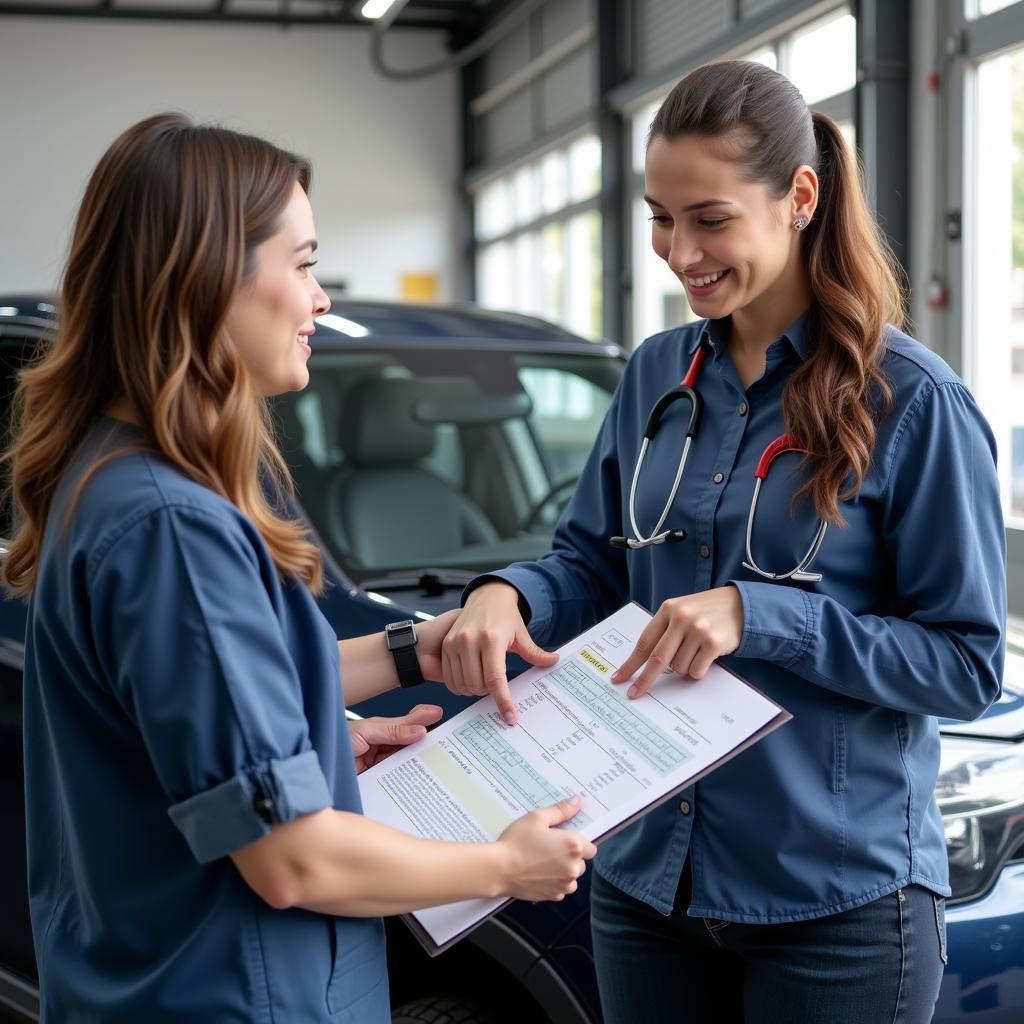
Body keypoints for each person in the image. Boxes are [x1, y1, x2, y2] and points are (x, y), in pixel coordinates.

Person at [440, 60, 1006, 1023]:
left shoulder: (914, 402)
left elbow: (964, 663)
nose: (676, 250)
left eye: (709, 219)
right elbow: (591, 562)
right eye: (660, 216)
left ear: (799, 197)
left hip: (836, 903)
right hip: (648, 881)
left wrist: (764, 615)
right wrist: (510, 594)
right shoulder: (659, 374)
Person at [2, 113, 595, 1023]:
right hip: (232, 996)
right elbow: (293, 861)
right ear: (205, 280)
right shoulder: (174, 529)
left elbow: (219, 709)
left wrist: (408, 654)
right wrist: (504, 865)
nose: (320, 300)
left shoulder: (119, 476)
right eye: (306, 263)